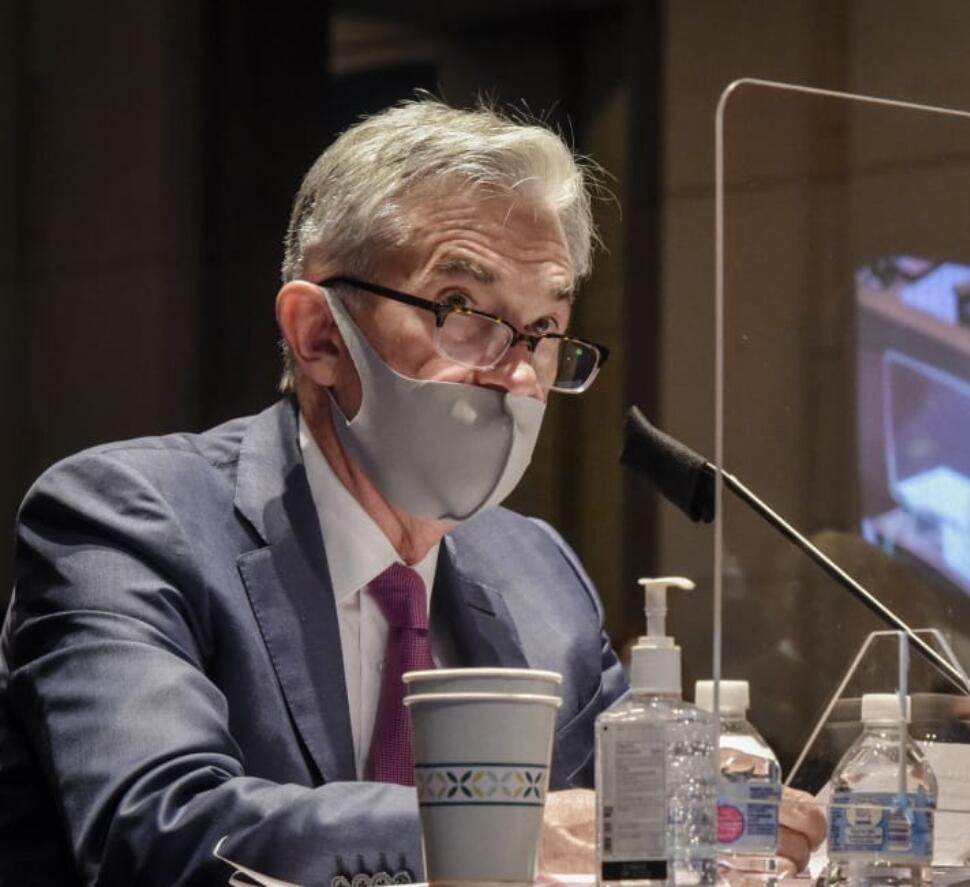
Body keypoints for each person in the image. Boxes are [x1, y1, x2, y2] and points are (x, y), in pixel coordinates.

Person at [0, 100, 822, 886]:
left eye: (542, 332)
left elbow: (618, 817)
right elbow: (158, 828)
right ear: (318, 334)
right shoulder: (128, 518)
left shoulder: (539, 575)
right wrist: (506, 831)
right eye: (462, 309)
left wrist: (717, 806)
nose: (515, 374)